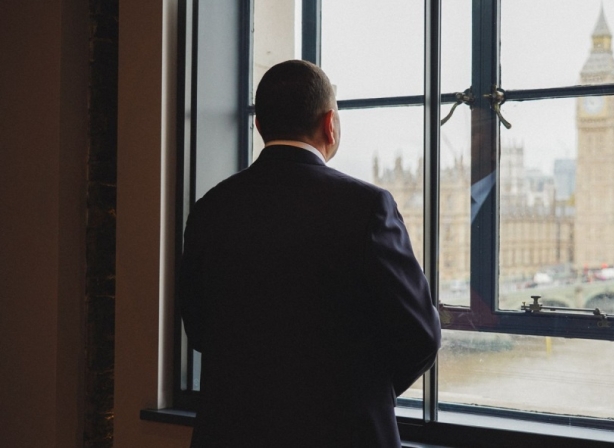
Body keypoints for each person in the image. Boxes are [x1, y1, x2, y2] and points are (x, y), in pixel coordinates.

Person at [178, 60, 441, 448]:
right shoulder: (367, 206)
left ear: (259, 126)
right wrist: (362, 392)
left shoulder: (210, 207)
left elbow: (199, 329)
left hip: (232, 431)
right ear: (329, 124)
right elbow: (420, 335)